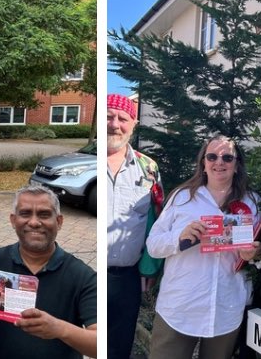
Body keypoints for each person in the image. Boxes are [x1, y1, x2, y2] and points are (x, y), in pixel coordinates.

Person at [145, 136, 261, 359]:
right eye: (212, 156)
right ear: (203, 163)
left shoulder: (253, 202)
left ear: (236, 165)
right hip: (179, 308)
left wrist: (256, 254)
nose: (219, 162)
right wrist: (178, 238)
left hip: (226, 309)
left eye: (227, 157)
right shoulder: (182, 198)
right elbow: (153, 245)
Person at [0, 184, 97, 359]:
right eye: (25, 214)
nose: (34, 222)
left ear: (59, 221)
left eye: (44, 214)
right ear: (13, 220)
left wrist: (60, 329)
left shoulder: (82, 276)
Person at [107, 94, 163, 359]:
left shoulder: (148, 169)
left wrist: (150, 266)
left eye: (122, 118)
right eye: (108, 116)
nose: (114, 124)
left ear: (134, 124)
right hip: (89, 275)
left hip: (127, 278)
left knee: (120, 346)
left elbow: (158, 218)